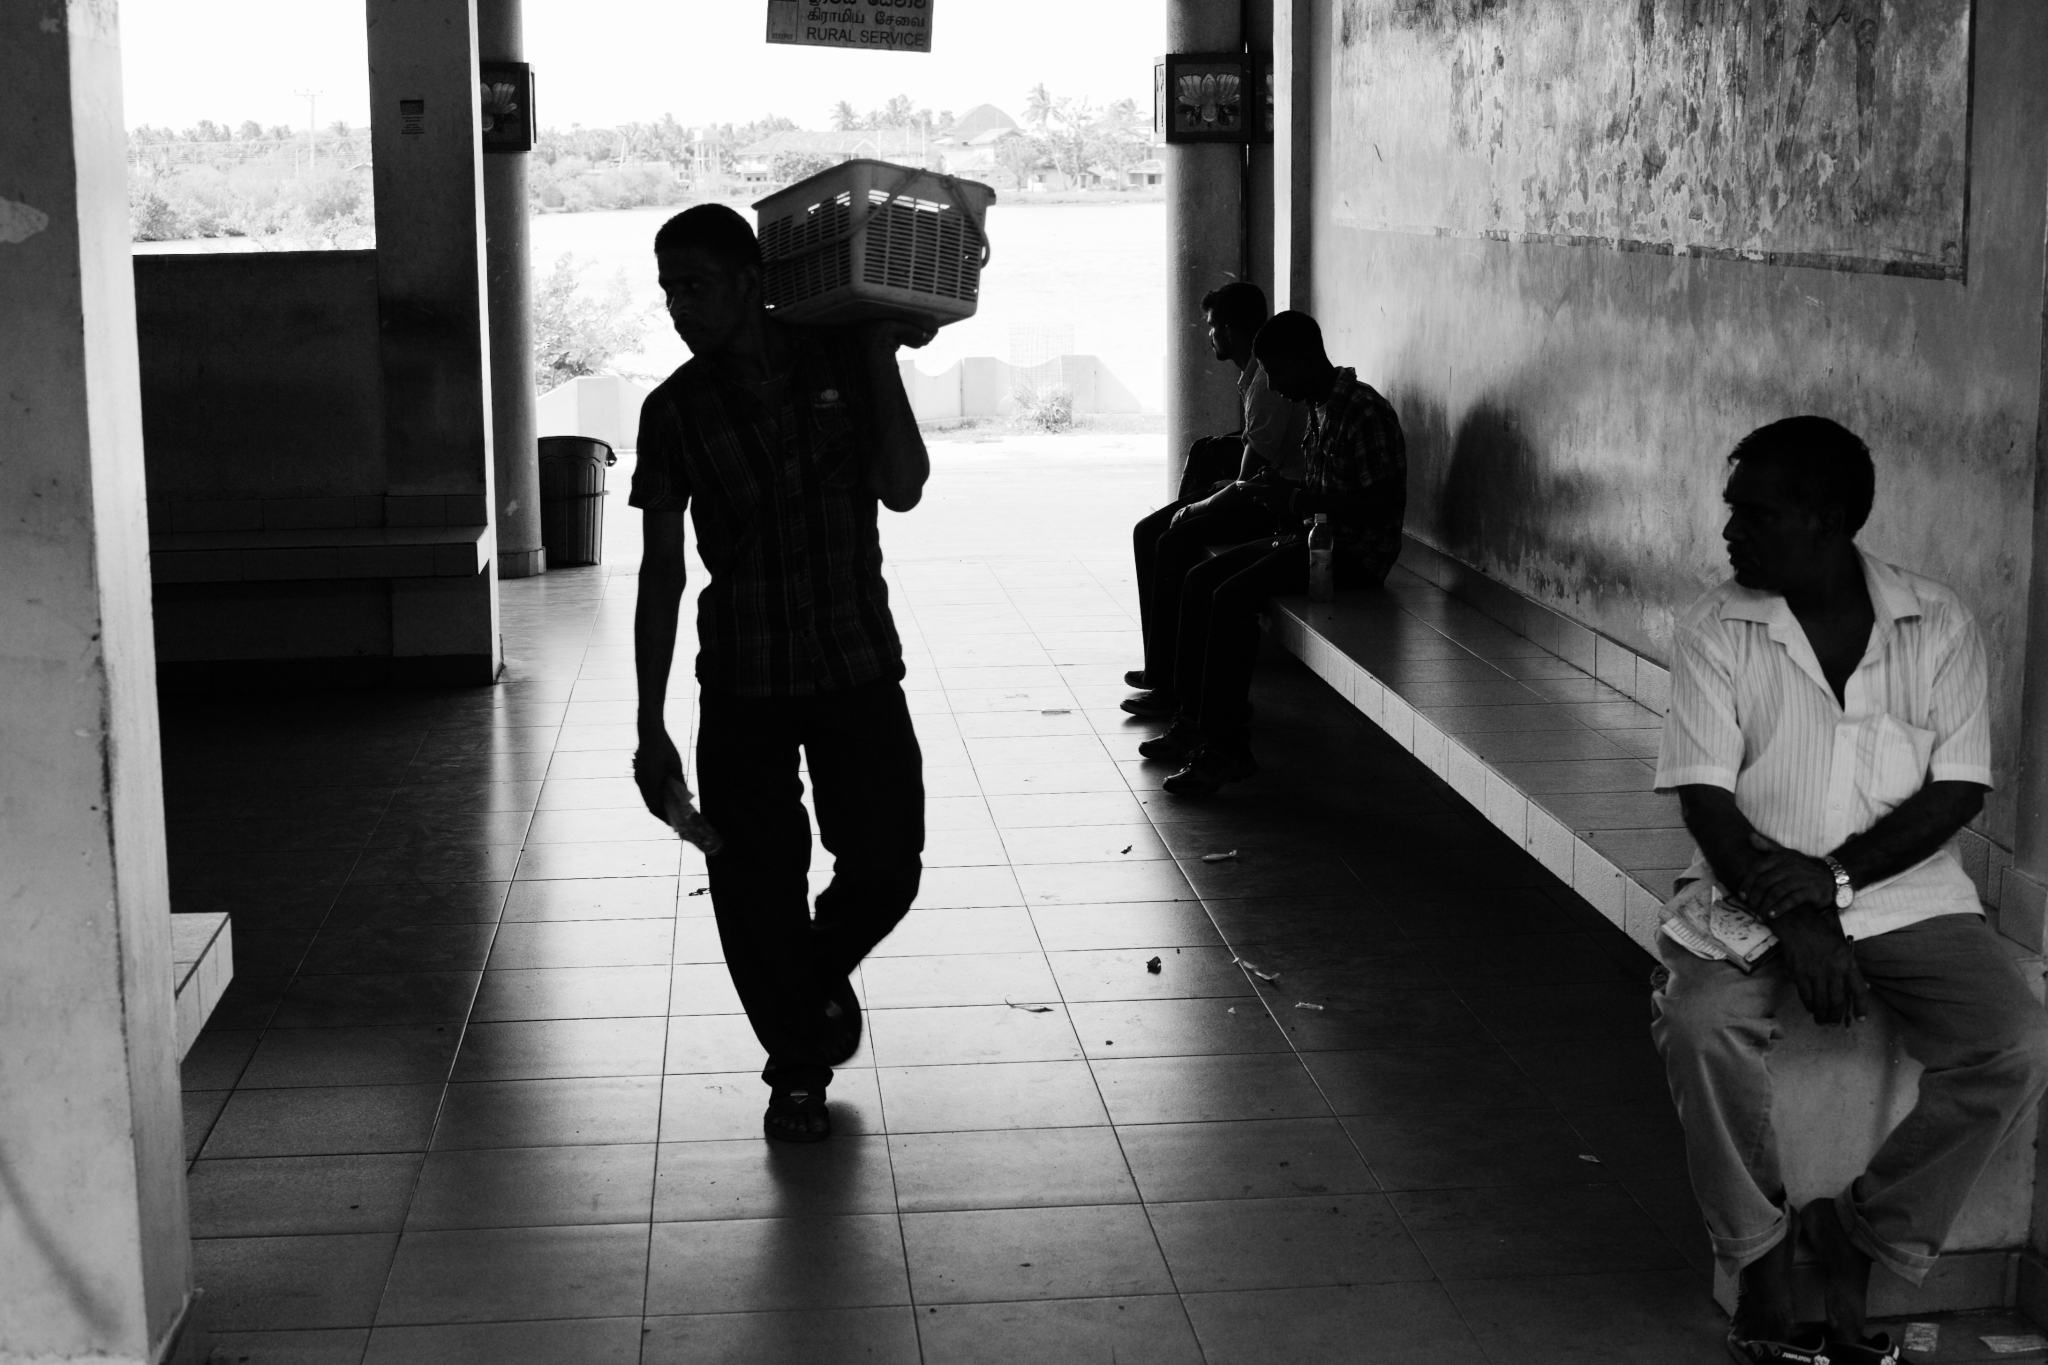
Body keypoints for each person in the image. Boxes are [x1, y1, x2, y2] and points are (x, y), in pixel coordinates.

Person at [1650, 417, 2048, 1364]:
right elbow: (1707, 803)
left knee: (2016, 1041)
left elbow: (1958, 789)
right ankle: (1761, 1256)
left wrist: (1833, 881)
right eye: (1733, 509)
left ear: (1828, 521)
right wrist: (1800, 916)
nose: (1730, 531)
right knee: (1701, 1024)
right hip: (1748, 886)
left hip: (1905, 892)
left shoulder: (1936, 622)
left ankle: (1860, 1234)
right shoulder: (1715, 628)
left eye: (1756, 513)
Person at [630, 204, 931, 1145]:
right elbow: (662, 572)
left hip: (854, 661)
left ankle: (805, 971)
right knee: (753, 882)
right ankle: (796, 1069)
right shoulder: (672, 410)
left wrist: (879, 355)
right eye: (668, 291)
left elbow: (903, 486)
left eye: (696, 285)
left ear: (751, 279)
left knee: (886, 864)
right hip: (744, 678)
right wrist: (649, 723)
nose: (680, 308)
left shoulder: (839, 362)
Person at [1144, 311, 1406, 794]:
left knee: (1232, 597)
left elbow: (1380, 506)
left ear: (1305, 359)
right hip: (1313, 539)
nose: (1275, 386)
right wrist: (1282, 496)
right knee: (1201, 580)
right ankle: (1194, 720)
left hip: (1353, 555)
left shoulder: (1362, 410)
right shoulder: (1320, 405)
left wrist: (1298, 500)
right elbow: (1322, 494)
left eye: (1278, 372)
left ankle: (1226, 748)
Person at [1123, 281, 1306, 705]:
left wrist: (1196, 509)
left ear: (1229, 329)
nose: (1208, 335)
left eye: (1211, 326)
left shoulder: (1265, 384)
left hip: (1271, 506)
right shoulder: (1255, 376)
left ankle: (1169, 683)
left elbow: (1246, 485)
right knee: (1149, 531)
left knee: (1170, 541)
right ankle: (1161, 668)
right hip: (1261, 492)